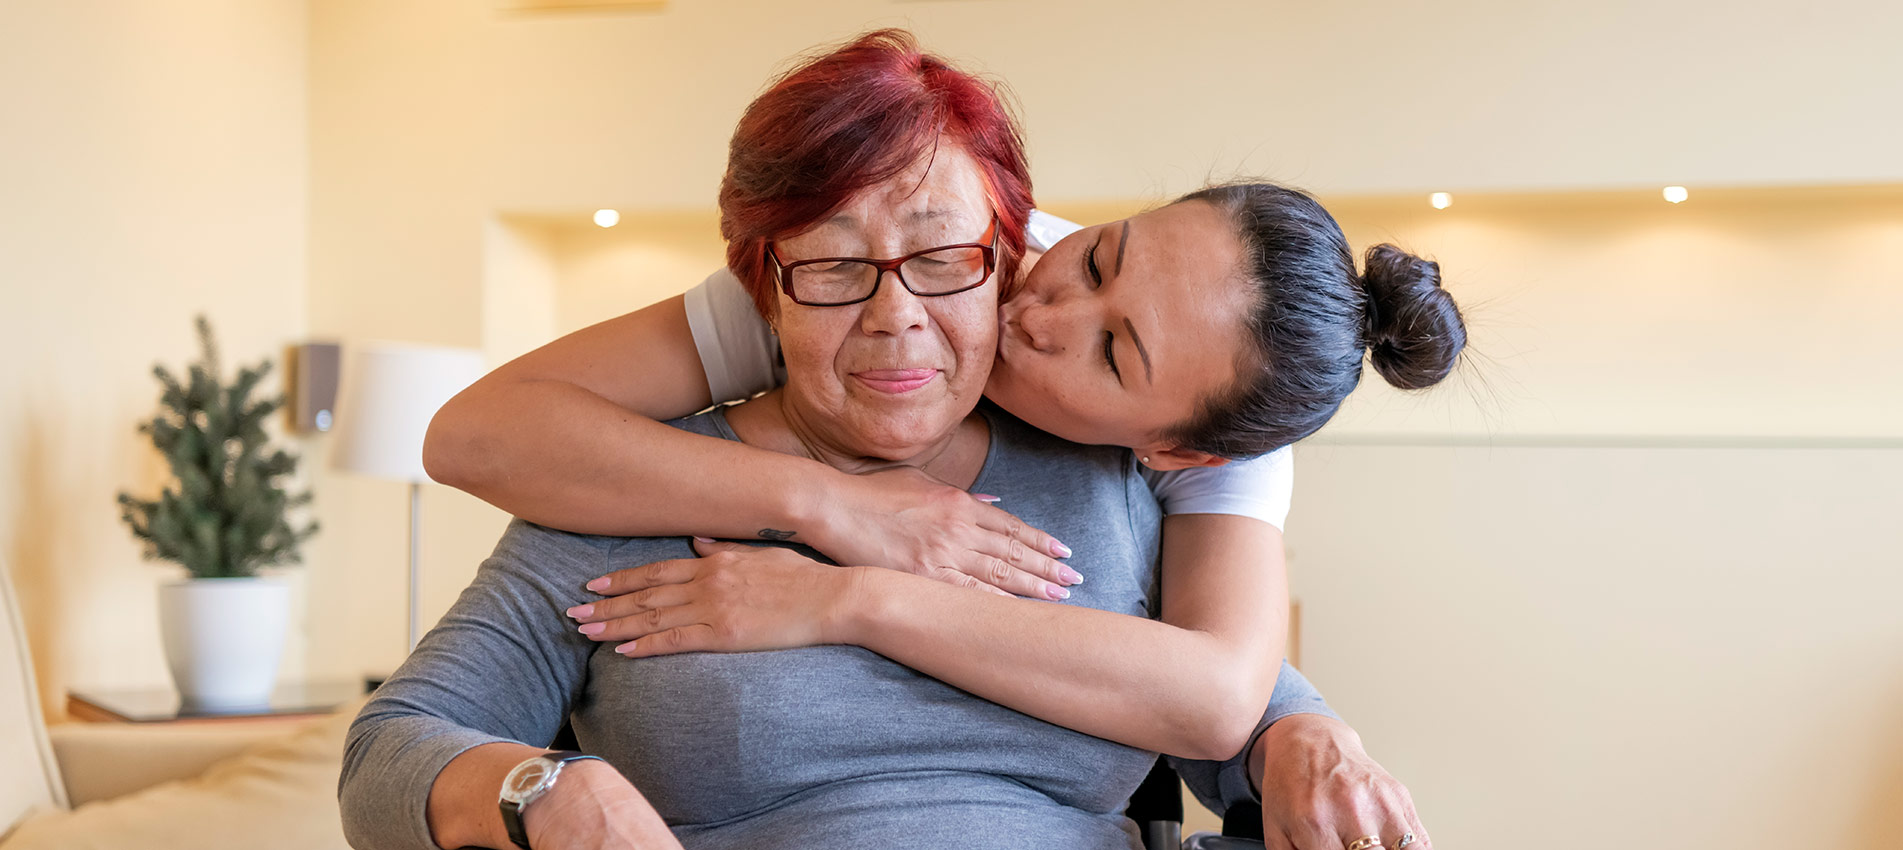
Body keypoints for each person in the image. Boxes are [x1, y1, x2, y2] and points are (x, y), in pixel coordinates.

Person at [416, 30, 1458, 849]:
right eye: (1094, 264)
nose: (899, 313)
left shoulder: (1152, 466)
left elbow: (1227, 689)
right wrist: (540, 788)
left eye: (1112, 357)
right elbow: (474, 447)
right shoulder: (902, 255)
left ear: (1174, 448)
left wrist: (1300, 734)